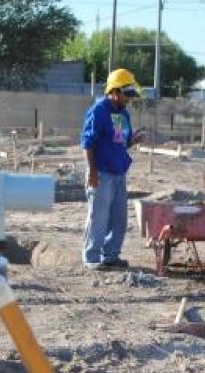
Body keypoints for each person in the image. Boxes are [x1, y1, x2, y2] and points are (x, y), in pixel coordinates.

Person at [80, 68, 148, 270]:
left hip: (118, 174)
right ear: (115, 91)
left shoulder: (122, 113)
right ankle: (91, 257)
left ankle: (111, 255)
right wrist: (92, 172)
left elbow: (120, 142)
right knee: (98, 218)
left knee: (118, 219)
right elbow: (87, 143)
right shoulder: (99, 110)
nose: (128, 99)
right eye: (126, 95)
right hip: (101, 173)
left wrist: (132, 141)